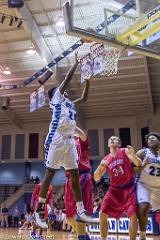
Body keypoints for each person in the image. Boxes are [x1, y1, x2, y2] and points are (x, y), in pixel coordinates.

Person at [35, 53, 95, 229]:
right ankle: (39, 212)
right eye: (63, 90)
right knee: (50, 174)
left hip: (69, 141)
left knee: (74, 176)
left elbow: (83, 99)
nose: (66, 92)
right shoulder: (56, 99)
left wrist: (88, 81)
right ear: (57, 94)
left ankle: (81, 211)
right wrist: (76, 62)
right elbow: (68, 78)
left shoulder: (69, 103)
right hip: (56, 138)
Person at [94, 136, 141, 240]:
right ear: (108, 144)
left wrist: (133, 156)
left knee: (133, 216)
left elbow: (138, 163)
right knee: (102, 213)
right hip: (114, 190)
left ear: (119, 144)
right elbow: (96, 177)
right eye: (110, 139)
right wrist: (100, 167)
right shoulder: (106, 159)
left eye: (114, 138)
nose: (112, 139)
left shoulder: (125, 151)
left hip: (129, 188)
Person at [64, 127, 93, 240]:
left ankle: (81, 237)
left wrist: (71, 124)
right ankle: (84, 236)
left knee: (80, 211)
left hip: (82, 176)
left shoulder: (81, 142)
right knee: (70, 215)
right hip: (69, 178)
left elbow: (83, 135)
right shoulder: (65, 144)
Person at [135, 132, 160, 240]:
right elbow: (134, 170)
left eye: (153, 138)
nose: (150, 139)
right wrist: (143, 164)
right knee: (144, 207)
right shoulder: (143, 152)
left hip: (157, 186)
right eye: (149, 138)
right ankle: (142, 236)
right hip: (143, 184)